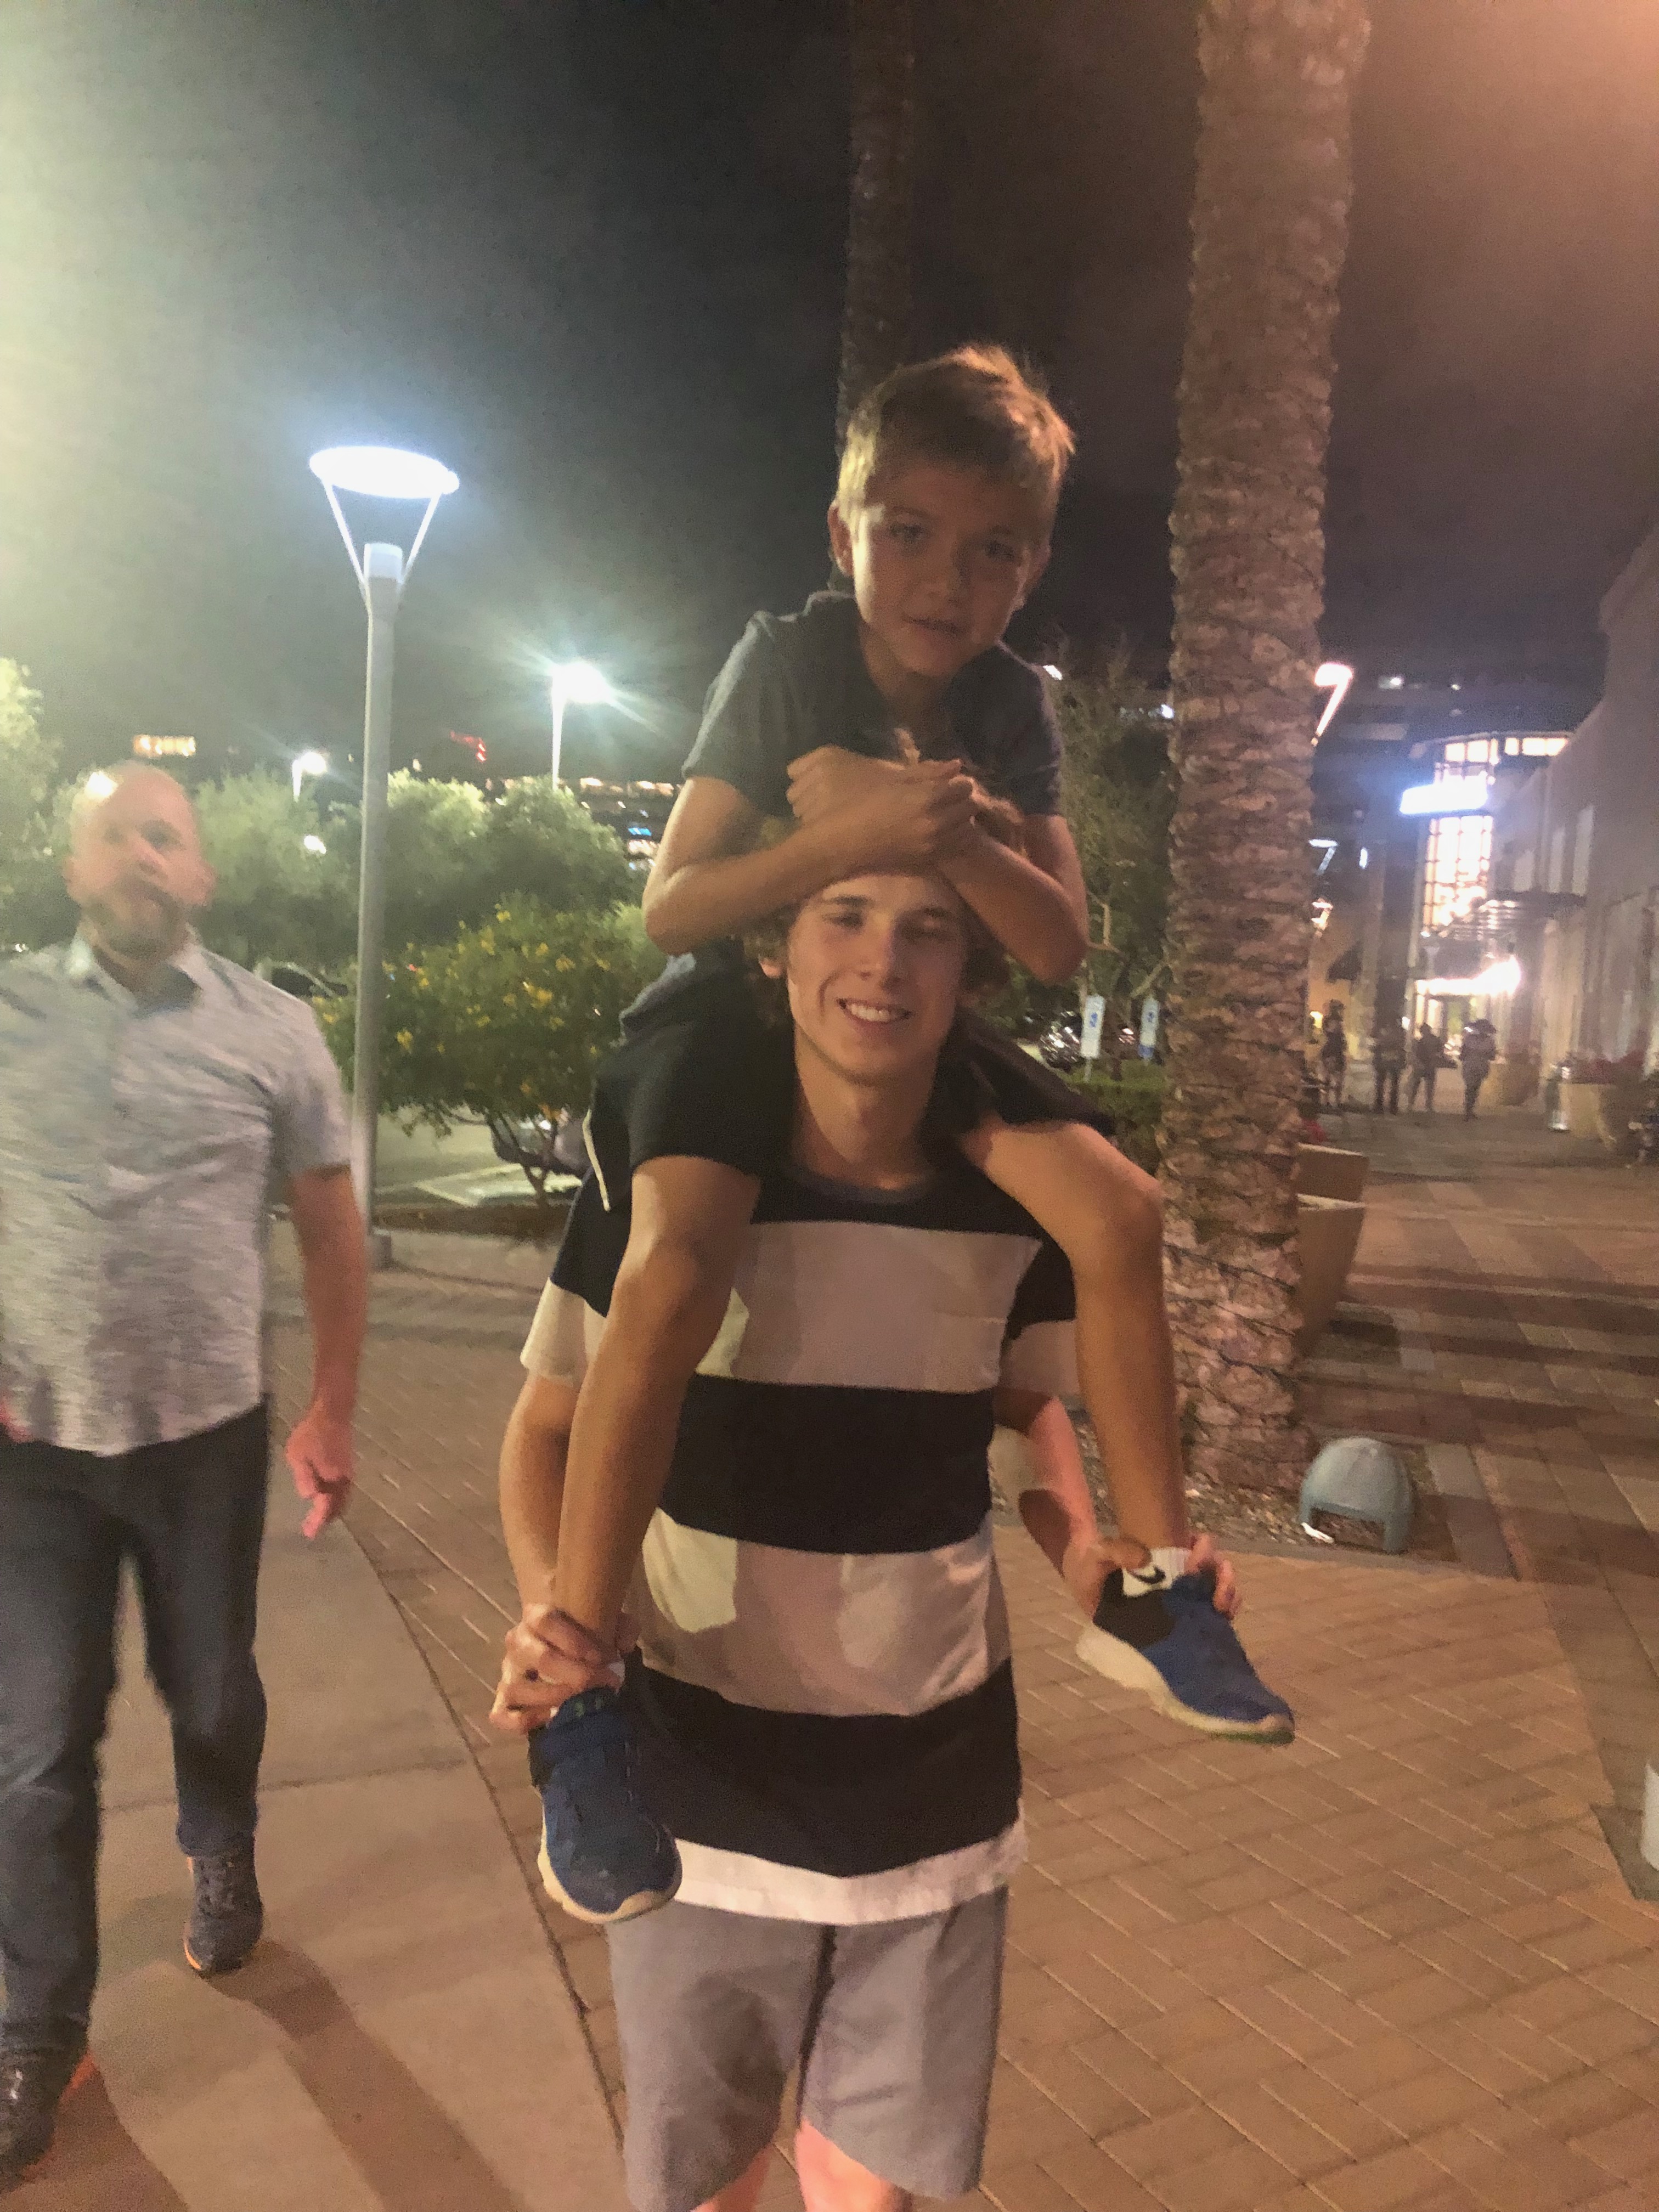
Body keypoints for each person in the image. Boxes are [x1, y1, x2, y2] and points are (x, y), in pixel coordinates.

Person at [529, 347, 1276, 1921]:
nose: (949, 579)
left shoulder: (1011, 703)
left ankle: (1156, 1586)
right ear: (843, 533)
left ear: (1034, 564)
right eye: (911, 533)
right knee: (673, 1270)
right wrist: (858, 838)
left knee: (1121, 1213)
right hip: (735, 1004)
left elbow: (1056, 939)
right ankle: (581, 1690)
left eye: (994, 548)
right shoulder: (787, 659)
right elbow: (676, 904)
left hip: (905, 1003)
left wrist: (941, 822)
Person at [493, 858, 1290, 2212]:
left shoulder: (1013, 1205)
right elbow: (544, 1432)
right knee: (705, 2185)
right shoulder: (676, 1196)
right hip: (701, 1792)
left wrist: (1084, 1551)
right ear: (775, 950)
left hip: (934, 1789)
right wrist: (556, 1631)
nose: (884, 963)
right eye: (846, 919)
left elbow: (1027, 1408)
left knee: (872, 2193)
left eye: (929, 932)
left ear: (970, 977)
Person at [0, 766, 368, 2186]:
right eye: (114, 834)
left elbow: (330, 1227)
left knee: (210, 1689)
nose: (141, 855)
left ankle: (222, 1838)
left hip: (206, 1438)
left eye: (166, 836)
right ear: (73, 866)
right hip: (34, 1453)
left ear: (201, 874)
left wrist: (332, 1409)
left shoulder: (274, 1030)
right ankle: (39, 2028)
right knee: (36, 1749)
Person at [1459, 1015, 1498, 1120]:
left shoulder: (1471, 1040)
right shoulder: (1487, 1041)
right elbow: (1492, 1056)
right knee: (1472, 1088)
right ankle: (1469, 1109)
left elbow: (1492, 1056)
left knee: (1474, 1088)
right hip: (1473, 1066)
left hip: (1476, 1066)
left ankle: (1469, 1109)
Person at [1371, 1014, 1406, 1115]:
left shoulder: (1384, 1032)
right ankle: (1390, 1106)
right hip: (1390, 1061)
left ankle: (1382, 1106)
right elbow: (1401, 1046)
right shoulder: (1400, 1032)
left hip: (1388, 1061)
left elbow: (1377, 1044)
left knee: (1385, 1084)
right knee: (1390, 1084)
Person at [1406, 1021, 1444, 1112]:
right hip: (1427, 1065)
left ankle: (1412, 1104)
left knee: (1418, 1086)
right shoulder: (1434, 1040)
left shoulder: (1420, 1041)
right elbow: (1441, 1052)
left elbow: (1415, 1053)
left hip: (1423, 1065)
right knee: (1427, 1087)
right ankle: (1427, 1106)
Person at [1316, 1001, 1347, 1109]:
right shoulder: (1332, 1023)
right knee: (1329, 1079)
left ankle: (1333, 1102)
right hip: (1331, 1052)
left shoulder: (1332, 1023)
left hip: (1335, 1052)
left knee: (1335, 1080)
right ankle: (1327, 1102)